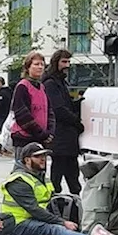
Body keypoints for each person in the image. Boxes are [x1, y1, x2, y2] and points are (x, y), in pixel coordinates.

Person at [1, 142, 90, 235]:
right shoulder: (18, 180)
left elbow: (51, 199)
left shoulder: (40, 175)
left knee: (75, 216)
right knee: (57, 231)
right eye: (38, 156)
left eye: (44, 155)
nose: (43, 159)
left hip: (38, 218)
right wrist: (62, 222)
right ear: (27, 160)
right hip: (19, 223)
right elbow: (34, 210)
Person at [42, 49, 83, 194]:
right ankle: (56, 204)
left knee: (72, 177)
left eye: (69, 62)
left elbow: (66, 106)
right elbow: (58, 109)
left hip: (67, 138)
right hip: (61, 137)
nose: (67, 65)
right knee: (58, 177)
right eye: (64, 62)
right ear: (56, 62)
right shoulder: (51, 83)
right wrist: (77, 122)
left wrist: (80, 103)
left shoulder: (60, 82)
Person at [9, 52, 50, 150]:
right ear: (28, 67)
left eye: (42, 64)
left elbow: (49, 111)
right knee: (24, 165)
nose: (40, 67)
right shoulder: (23, 86)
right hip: (25, 138)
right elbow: (22, 114)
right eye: (36, 64)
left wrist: (50, 132)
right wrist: (40, 133)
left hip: (40, 138)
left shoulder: (42, 87)